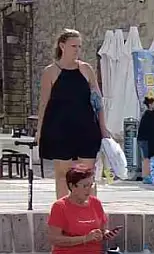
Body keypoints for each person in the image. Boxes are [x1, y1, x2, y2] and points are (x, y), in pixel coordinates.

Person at [36, 29, 109, 200]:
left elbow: (98, 101)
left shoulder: (86, 69)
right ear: (62, 46)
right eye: (73, 46)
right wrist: (39, 130)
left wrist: (103, 127)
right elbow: (44, 103)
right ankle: (63, 214)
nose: (77, 50)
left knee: (87, 175)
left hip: (86, 128)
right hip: (59, 129)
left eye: (79, 46)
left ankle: (90, 213)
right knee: (62, 174)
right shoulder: (51, 72)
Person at [137, 96, 154, 180]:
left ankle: (146, 175)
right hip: (145, 139)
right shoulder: (149, 114)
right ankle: (146, 176)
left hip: (142, 138)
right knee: (147, 158)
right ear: (150, 104)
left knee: (146, 158)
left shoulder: (145, 113)